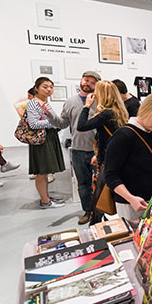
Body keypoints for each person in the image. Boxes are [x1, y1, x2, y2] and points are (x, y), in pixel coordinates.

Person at [104, 93, 152, 220]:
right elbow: (111, 175)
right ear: (145, 110)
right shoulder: (123, 136)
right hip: (131, 203)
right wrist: (131, 198)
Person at [45, 71, 100, 221]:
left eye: (92, 82)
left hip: (98, 150)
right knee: (83, 184)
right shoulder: (70, 101)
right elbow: (62, 123)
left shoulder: (101, 101)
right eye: (86, 80)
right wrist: (49, 115)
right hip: (78, 150)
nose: (88, 84)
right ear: (81, 80)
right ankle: (88, 211)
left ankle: (102, 211)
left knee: (102, 183)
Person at [76, 80, 129, 224]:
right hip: (116, 158)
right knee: (108, 196)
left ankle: (96, 226)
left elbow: (81, 126)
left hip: (107, 161)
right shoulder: (119, 111)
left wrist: (86, 106)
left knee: (100, 198)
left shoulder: (106, 113)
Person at [26, 77, 66, 209]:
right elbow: (33, 124)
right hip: (41, 140)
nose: (49, 89)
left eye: (51, 87)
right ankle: (45, 201)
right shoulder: (33, 103)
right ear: (36, 88)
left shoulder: (44, 102)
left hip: (48, 138)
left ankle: (46, 197)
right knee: (41, 172)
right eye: (45, 87)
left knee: (45, 171)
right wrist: (53, 123)